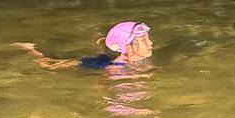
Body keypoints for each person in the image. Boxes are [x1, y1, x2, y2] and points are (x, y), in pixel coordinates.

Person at [13, 21, 153, 71]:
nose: (151, 43)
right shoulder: (114, 70)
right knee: (50, 65)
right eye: (144, 40)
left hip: (109, 58)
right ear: (127, 47)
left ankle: (99, 42)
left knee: (101, 53)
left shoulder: (138, 59)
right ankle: (31, 49)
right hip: (96, 63)